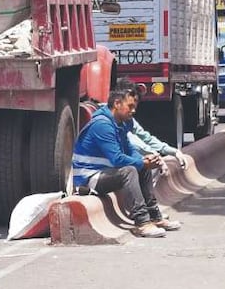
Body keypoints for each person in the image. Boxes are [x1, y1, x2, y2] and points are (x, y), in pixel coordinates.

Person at [71, 89, 183, 237]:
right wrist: (142, 162)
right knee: (130, 171)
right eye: (130, 106)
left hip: (105, 172)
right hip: (89, 178)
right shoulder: (102, 125)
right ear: (117, 104)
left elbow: (129, 150)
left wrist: (146, 160)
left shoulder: (121, 123)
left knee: (141, 167)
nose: (133, 110)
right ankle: (142, 222)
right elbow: (117, 159)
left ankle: (155, 217)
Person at [116, 77, 189, 173]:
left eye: (134, 106)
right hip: (98, 171)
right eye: (130, 106)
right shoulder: (106, 122)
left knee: (144, 165)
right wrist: (155, 157)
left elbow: (145, 138)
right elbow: (131, 141)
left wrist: (174, 152)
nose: (133, 111)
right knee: (135, 169)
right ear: (117, 102)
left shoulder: (128, 119)